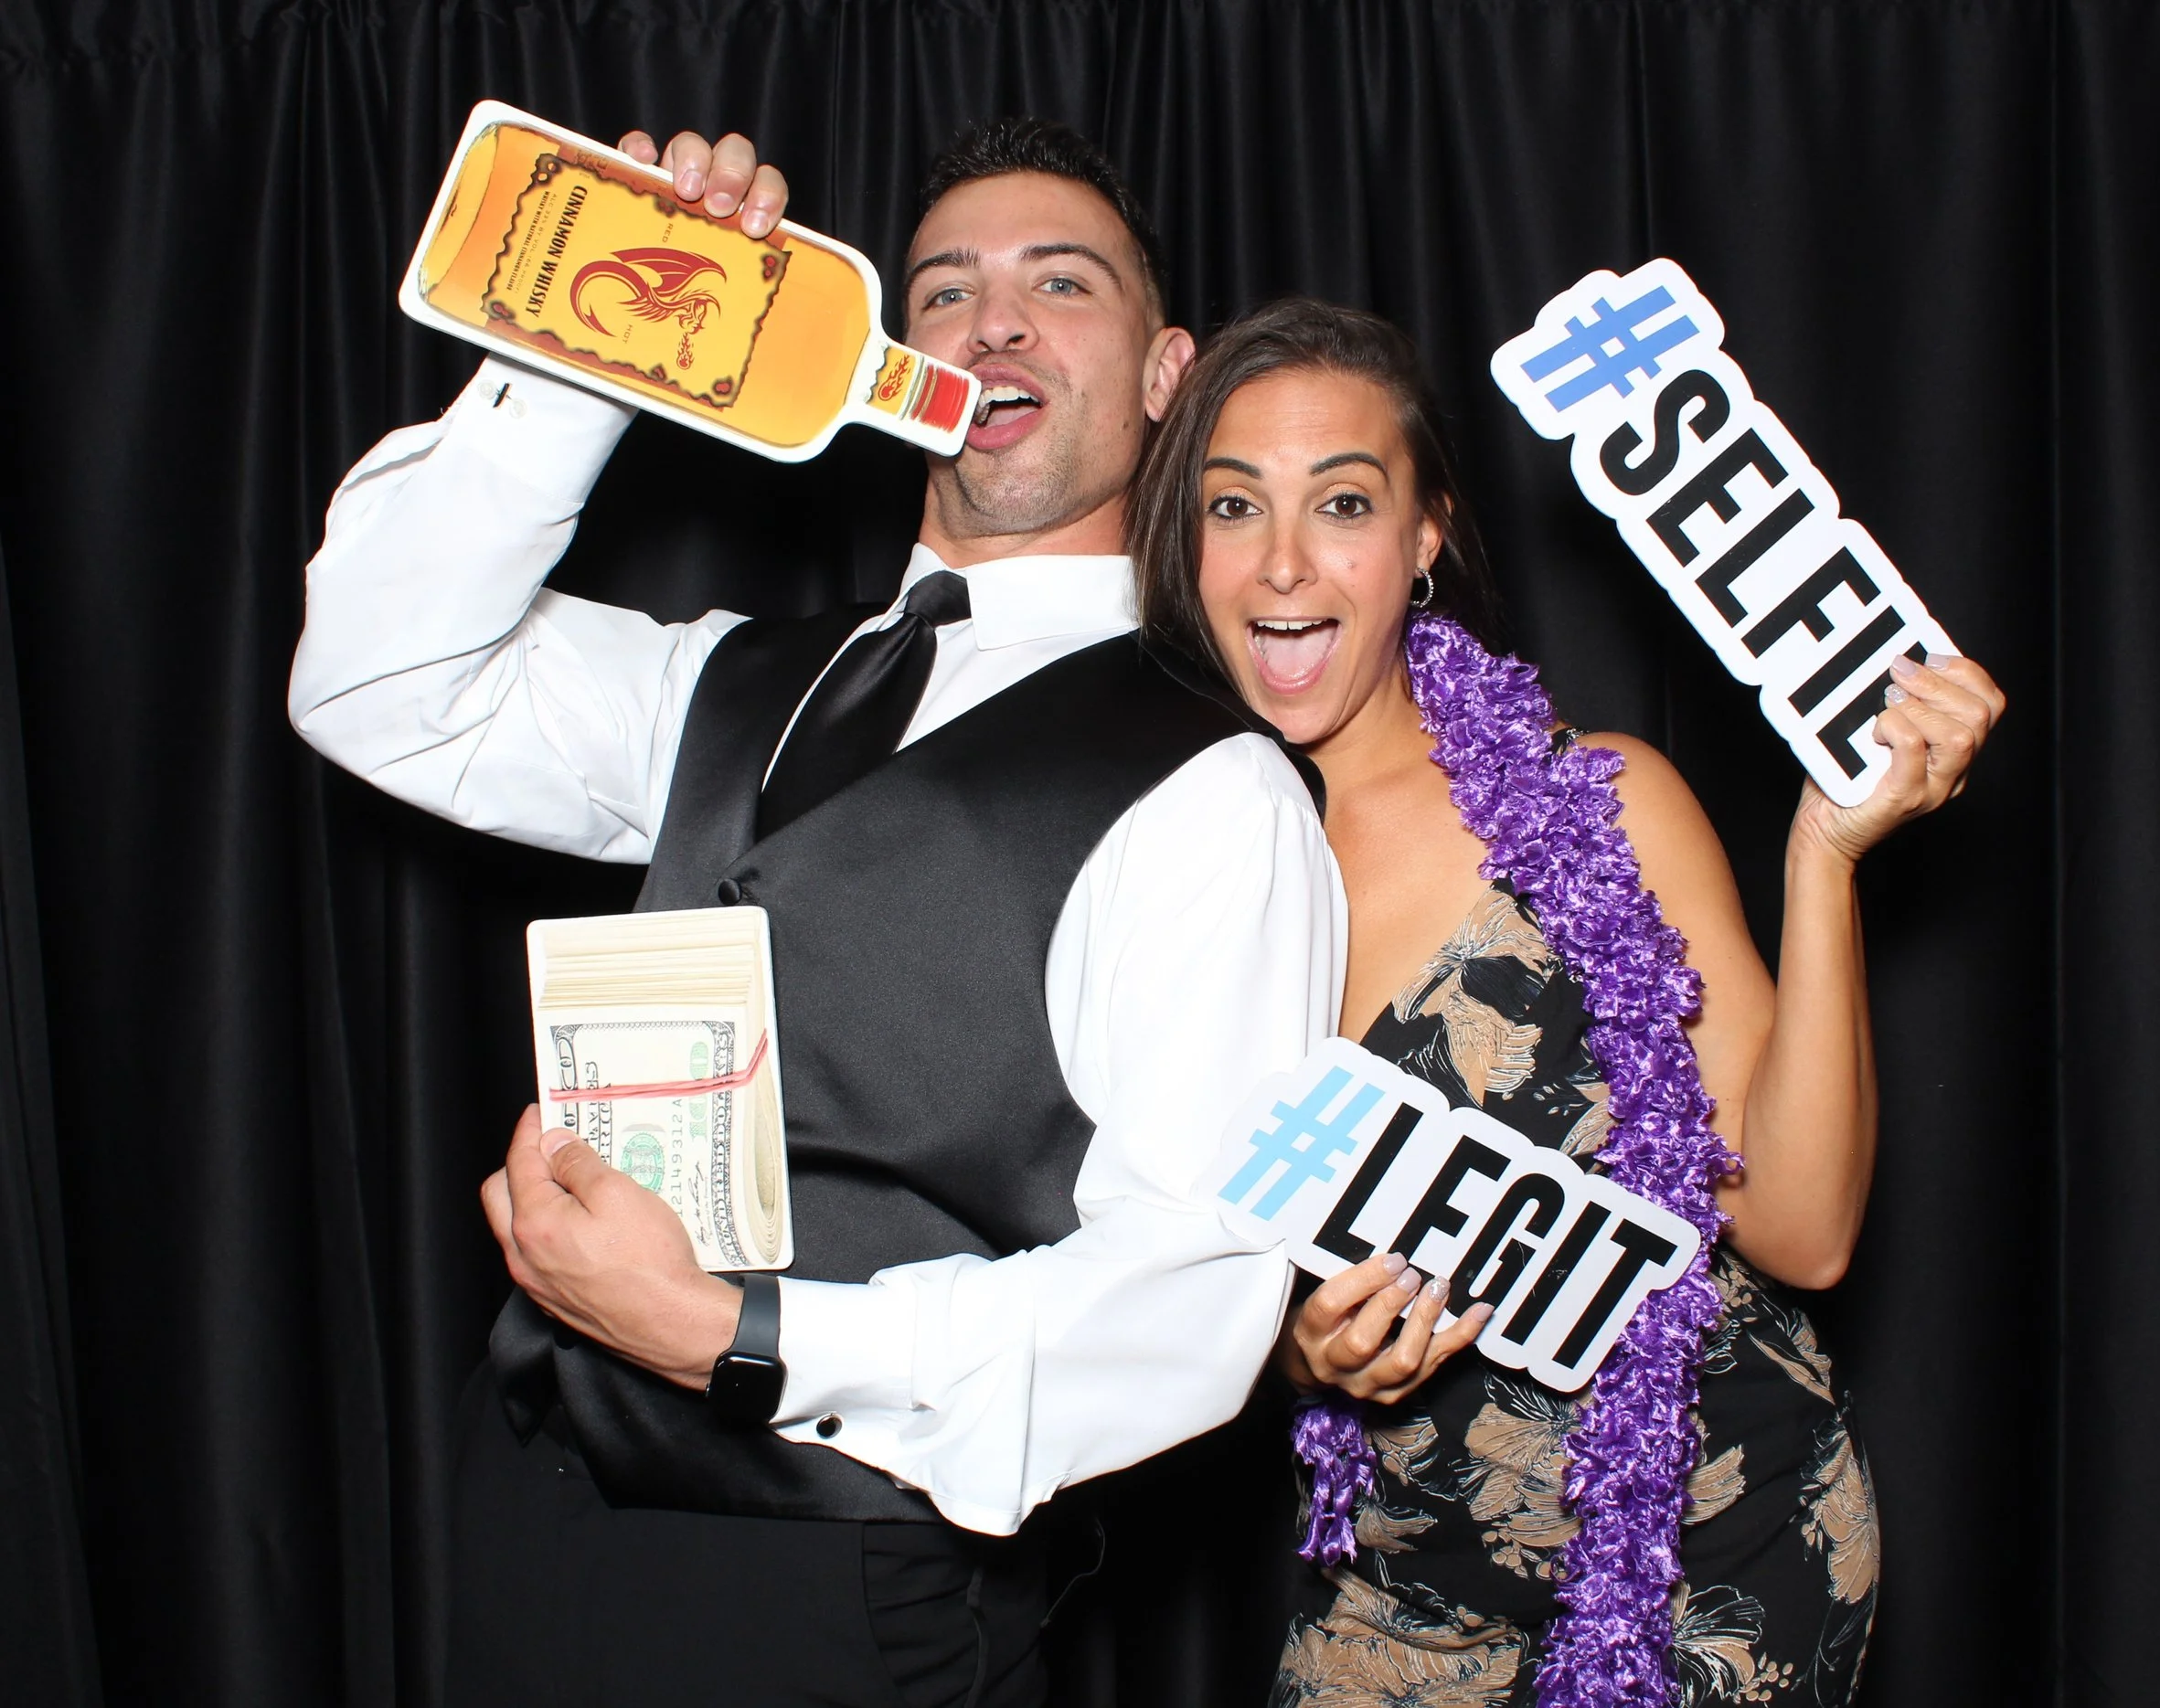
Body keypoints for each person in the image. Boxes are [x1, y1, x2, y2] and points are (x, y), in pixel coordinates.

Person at [290, 121, 1343, 1706]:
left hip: (839, 1574)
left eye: (1060, 284)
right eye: (943, 291)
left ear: (1163, 372)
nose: (995, 323)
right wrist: (610, 332)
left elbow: (1189, 1298)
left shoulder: (1218, 791)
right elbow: (379, 681)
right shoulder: (728, 678)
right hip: (536, 1504)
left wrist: (746, 1335)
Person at [1125, 299, 2005, 1706]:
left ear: (1424, 540)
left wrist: (1822, 859)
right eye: (1235, 507)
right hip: (1395, 1602)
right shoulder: (1131, 873)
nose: (1285, 563)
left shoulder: (1596, 809)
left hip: (1722, 1561)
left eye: (1343, 502)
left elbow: (1805, 1225)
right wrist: (1289, 1356)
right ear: (1184, 545)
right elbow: (1113, 1273)